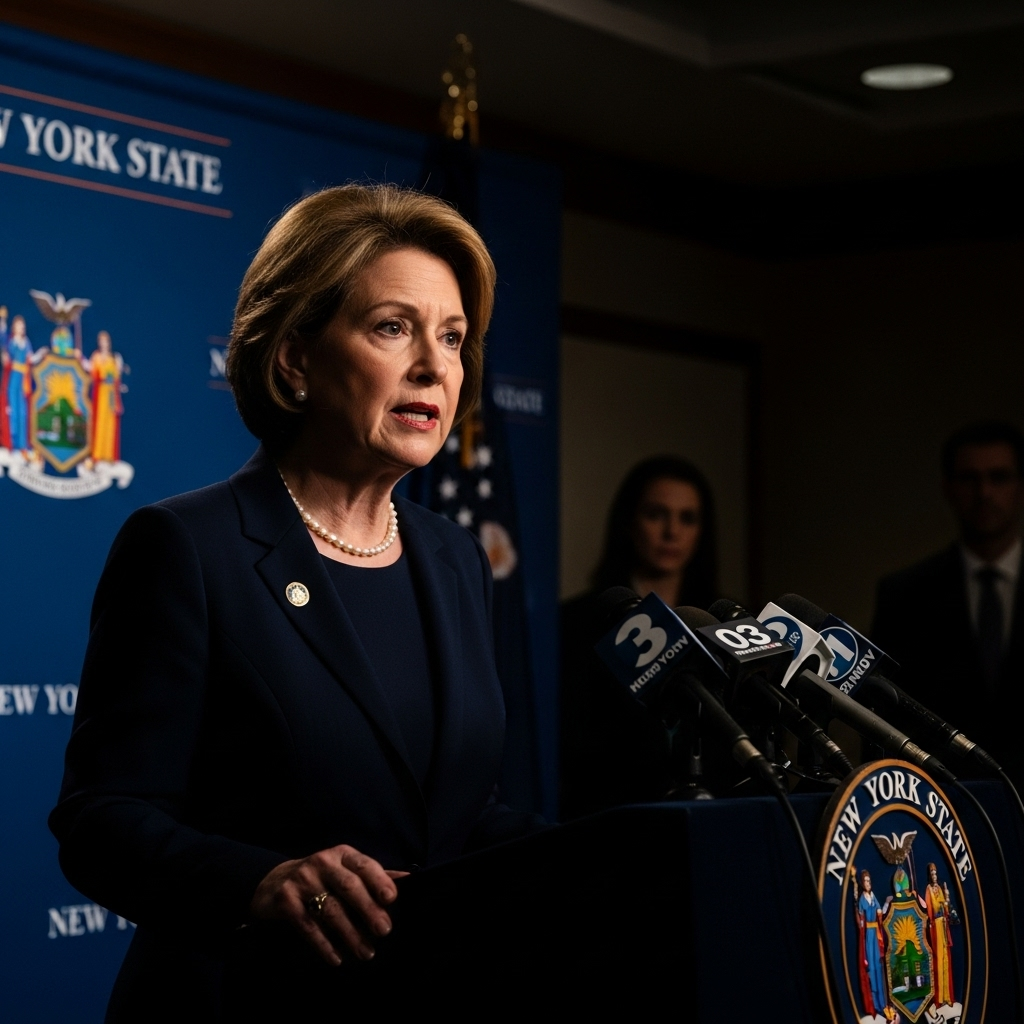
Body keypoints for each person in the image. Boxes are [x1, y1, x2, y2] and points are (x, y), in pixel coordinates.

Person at [49, 184, 543, 1021]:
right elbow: (102, 819)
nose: (436, 365)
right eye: (394, 327)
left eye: (453, 337)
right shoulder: (187, 547)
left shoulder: (453, 558)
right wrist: (260, 883)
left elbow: (454, 809)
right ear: (295, 359)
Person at [559, 456, 719, 818]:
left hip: (712, 818)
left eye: (687, 518)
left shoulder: (724, 622)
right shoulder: (578, 622)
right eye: (656, 514)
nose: (671, 532)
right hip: (611, 821)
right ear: (629, 521)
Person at [871, 420, 1024, 790]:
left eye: (999, 477)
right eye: (970, 479)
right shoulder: (905, 594)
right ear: (948, 488)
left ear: (1020, 485)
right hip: (942, 801)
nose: (984, 493)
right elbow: (881, 719)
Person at [86, 330, 125, 462]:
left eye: (105, 341)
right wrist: (79, 358)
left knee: (110, 423)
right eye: (101, 341)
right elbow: (90, 370)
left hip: (111, 394)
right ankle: (97, 454)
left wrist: (118, 387)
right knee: (100, 422)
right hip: (100, 393)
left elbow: (117, 377)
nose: (103, 344)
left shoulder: (115, 358)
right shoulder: (96, 357)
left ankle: (108, 455)